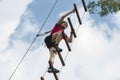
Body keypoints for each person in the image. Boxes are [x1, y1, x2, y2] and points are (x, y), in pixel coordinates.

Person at [44, 8, 75, 73]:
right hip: (49, 38)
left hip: (51, 44)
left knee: (53, 55)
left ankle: (50, 67)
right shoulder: (57, 26)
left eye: (66, 25)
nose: (65, 25)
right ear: (61, 24)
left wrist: (71, 33)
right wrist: (71, 11)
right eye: (64, 24)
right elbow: (63, 16)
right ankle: (56, 46)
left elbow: (69, 40)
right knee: (61, 32)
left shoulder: (63, 34)